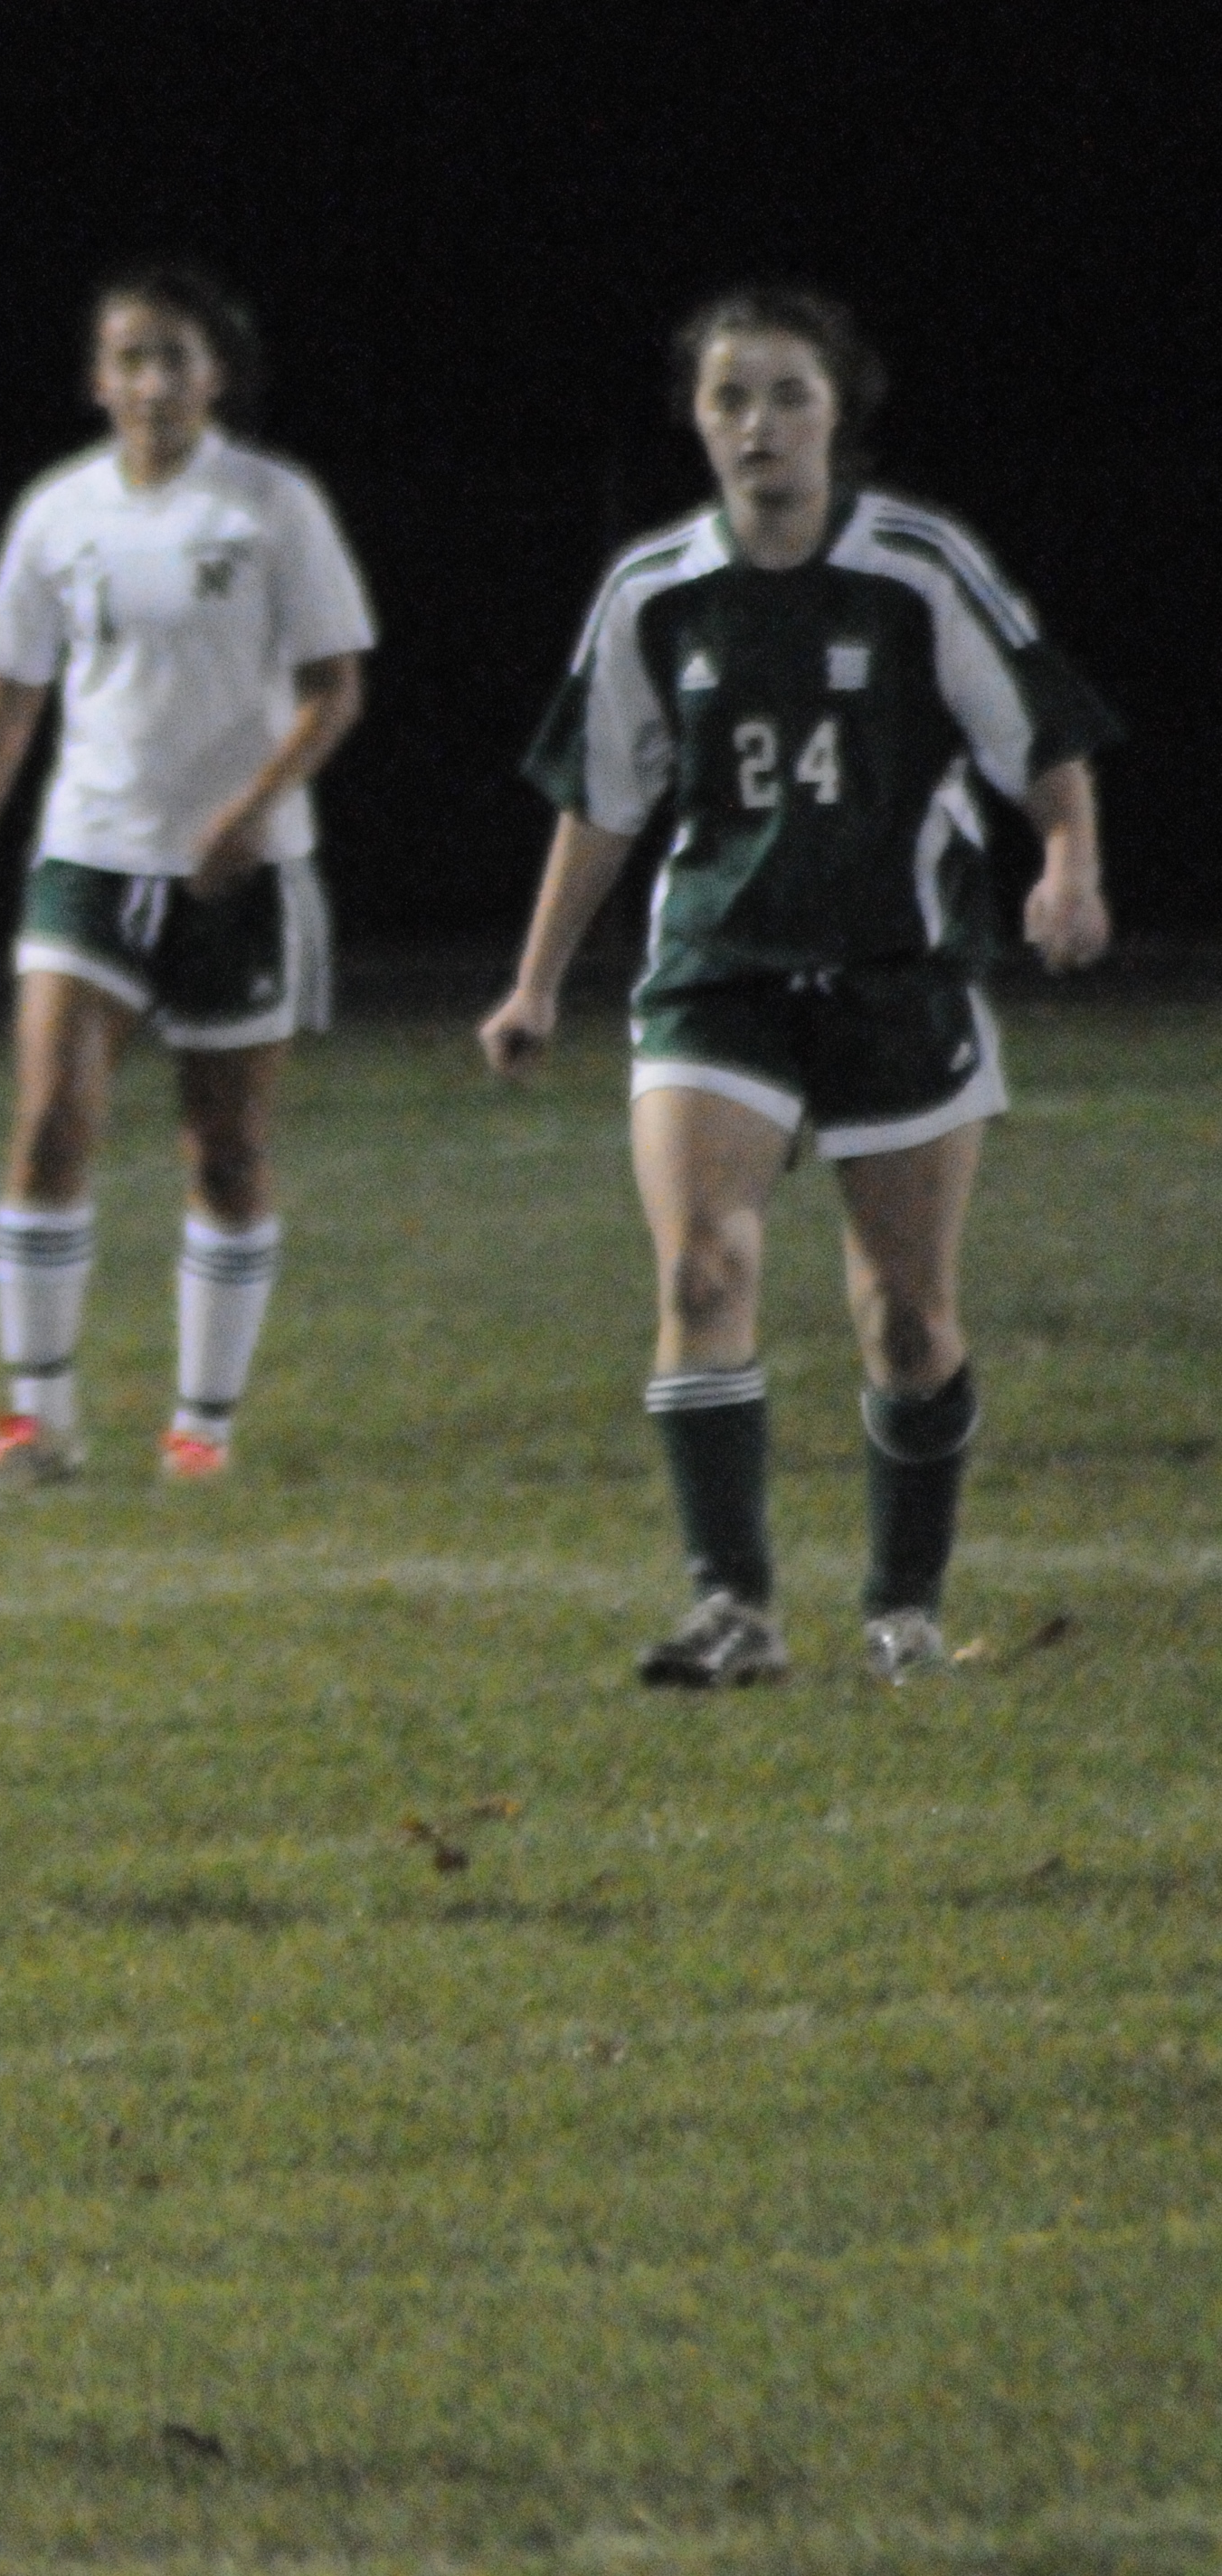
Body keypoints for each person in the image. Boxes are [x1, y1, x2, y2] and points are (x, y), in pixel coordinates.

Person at [481, 286, 1113, 1686]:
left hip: (899, 969)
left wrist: (1069, 863)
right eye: (730, 398)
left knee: (907, 1317)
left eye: (788, 395)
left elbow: (1040, 736)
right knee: (701, 1265)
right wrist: (536, 983)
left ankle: (904, 1609)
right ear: (697, 420)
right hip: (719, 970)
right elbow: (602, 800)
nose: (759, 424)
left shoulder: (917, 567)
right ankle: (734, 1609)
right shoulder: (654, 591)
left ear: (839, 413)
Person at [0, 266, 375, 1488]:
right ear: (97, 379)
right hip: (90, 854)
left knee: (225, 1153)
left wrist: (249, 811)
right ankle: (36, 1424)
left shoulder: (271, 505)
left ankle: (200, 1431)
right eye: (132, 358)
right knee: (49, 1123)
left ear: (214, 377)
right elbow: (9, 696)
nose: (154, 382)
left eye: (176, 358)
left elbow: (336, 687)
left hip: (240, 878)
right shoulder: (58, 512)